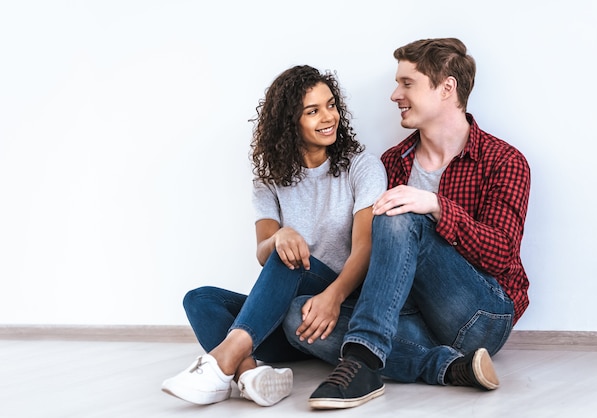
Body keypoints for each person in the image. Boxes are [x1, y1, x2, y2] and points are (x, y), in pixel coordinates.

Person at [283, 38, 531, 409]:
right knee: (297, 315)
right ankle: (446, 366)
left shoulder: (503, 160)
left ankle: (364, 362)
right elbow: (382, 266)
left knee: (401, 213)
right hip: (410, 320)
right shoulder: (392, 161)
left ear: (447, 88)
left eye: (407, 83)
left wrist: (434, 206)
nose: (395, 95)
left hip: (481, 316)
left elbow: (501, 255)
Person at [161, 65, 387, 407]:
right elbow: (263, 251)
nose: (329, 117)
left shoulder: (361, 167)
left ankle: (221, 364)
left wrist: (333, 296)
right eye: (313, 111)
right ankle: (252, 376)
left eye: (331, 105)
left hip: (339, 304)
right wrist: (279, 237)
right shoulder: (269, 182)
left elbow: (365, 249)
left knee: (289, 257)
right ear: (289, 122)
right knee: (199, 299)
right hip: (286, 318)